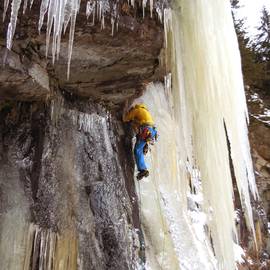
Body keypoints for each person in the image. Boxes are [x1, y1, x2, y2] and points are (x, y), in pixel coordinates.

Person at [123, 104, 157, 180]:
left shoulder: (136, 110)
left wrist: (125, 112)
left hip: (146, 130)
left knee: (137, 150)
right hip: (151, 131)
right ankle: (145, 147)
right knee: (140, 146)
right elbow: (138, 123)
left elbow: (126, 119)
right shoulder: (145, 111)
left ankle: (142, 169)